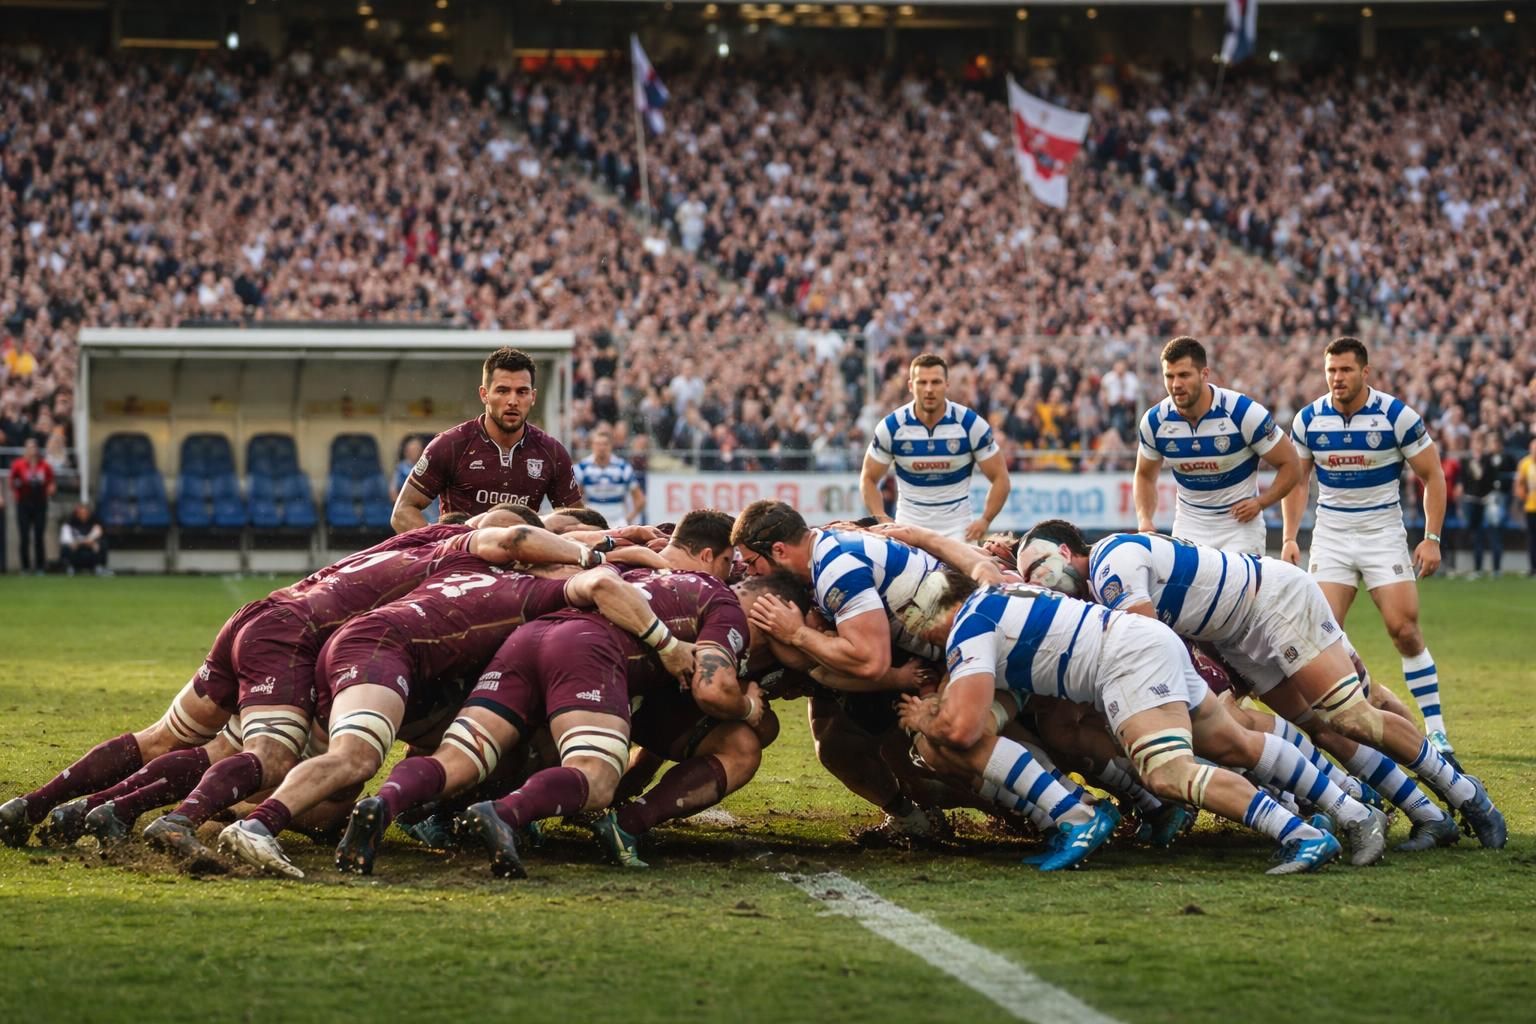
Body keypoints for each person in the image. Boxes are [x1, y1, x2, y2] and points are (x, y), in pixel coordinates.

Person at [1018, 520, 1505, 853]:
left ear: (1065, 552)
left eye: (1037, 568)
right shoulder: (1100, 580)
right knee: (1325, 730)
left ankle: (1466, 795)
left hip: (1269, 601)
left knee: (1352, 715)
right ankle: (1427, 814)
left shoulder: (1111, 565)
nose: (1036, 581)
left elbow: (1145, 645)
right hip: (1235, 633)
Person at [895, 569, 1344, 875]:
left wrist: (924, 719)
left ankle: (1301, 833)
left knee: (1169, 774)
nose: (916, 634)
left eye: (913, 621)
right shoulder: (993, 596)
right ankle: (1341, 811)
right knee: (1234, 744)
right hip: (1138, 643)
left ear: (928, 610)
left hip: (1125, 661)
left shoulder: (968, 628)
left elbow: (964, 730)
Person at [1280, 337, 1457, 755]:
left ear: (1365, 372)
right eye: (1330, 370)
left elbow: (1433, 476)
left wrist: (1431, 539)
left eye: (1344, 370)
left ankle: (1436, 730)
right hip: (1332, 536)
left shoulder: (1396, 416)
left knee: (1405, 630)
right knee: (1323, 636)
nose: (1336, 378)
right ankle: (1354, 716)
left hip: (1382, 534)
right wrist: (1290, 537)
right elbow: (1297, 480)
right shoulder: (1309, 420)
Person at [1134, 337, 1300, 556]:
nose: (1175, 385)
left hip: (1240, 527)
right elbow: (1144, 475)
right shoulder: (1155, 421)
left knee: (1238, 590)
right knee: (1186, 591)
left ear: (1204, 374)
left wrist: (1261, 502)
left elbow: (1291, 464)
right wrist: (1145, 520)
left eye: (1184, 375)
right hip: (1189, 525)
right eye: (1169, 376)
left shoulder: (1243, 412)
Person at [392, 347, 582, 532]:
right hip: (461, 560)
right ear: (484, 394)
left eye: (522, 392)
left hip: (524, 559)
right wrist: (441, 548)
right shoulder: (450, 445)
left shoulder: (552, 451)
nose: (513, 401)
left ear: (532, 397)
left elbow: (576, 522)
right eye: (502, 391)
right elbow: (402, 512)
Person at [860, 353, 1010, 541]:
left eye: (936, 382)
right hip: (908, 528)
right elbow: (868, 478)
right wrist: (880, 517)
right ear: (910, 386)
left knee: (976, 570)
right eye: (922, 382)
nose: (929, 389)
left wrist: (985, 520)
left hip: (959, 530)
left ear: (947, 385)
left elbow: (1001, 478)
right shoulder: (891, 427)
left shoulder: (971, 424)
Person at [1461, 430, 1512, 577]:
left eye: (1479, 442)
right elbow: (1465, 481)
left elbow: (1491, 479)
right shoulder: (1467, 461)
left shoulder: (1488, 460)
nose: (1477, 446)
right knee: (1476, 535)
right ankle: (1478, 569)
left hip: (1488, 500)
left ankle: (1496, 569)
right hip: (1472, 501)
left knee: (1494, 533)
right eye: (1475, 442)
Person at [574, 426, 644, 528]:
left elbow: (640, 500)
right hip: (593, 523)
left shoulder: (623, 467)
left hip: (618, 523)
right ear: (592, 445)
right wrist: (583, 518)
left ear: (611, 446)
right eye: (598, 444)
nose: (601, 448)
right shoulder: (582, 468)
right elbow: (576, 499)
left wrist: (628, 519)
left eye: (605, 444)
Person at [9, 437, 55, 573]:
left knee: (39, 535)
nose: (32, 450)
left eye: (34, 447)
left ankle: (40, 566)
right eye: (29, 447)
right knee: (24, 535)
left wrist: (51, 488)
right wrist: (20, 485)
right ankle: (25, 567)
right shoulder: (18, 464)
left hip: (40, 502)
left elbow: (51, 481)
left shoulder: (44, 465)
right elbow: (12, 482)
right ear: (25, 449)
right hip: (23, 502)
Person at [391, 436, 438, 524]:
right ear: (406, 452)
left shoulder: (428, 465)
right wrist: (403, 508)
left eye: (417, 449)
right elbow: (393, 492)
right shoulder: (401, 468)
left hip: (430, 504)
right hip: (410, 504)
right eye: (412, 450)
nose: (415, 452)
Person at [60, 502, 108, 575]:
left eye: (85, 513)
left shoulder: (95, 522)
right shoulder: (69, 523)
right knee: (65, 547)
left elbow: (97, 533)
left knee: (102, 544)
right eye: (80, 513)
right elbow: (65, 538)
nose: (83, 515)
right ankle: (70, 567)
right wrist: (77, 543)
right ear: (77, 513)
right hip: (75, 548)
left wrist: (88, 542)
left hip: (90, 547)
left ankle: (99, 567)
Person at [1516, 438, 1536, 576]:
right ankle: (1533, 567)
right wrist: (1524, 497)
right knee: (1532, 539)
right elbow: (1519, 484)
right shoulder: (1525, 463)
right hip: (1531, 507)